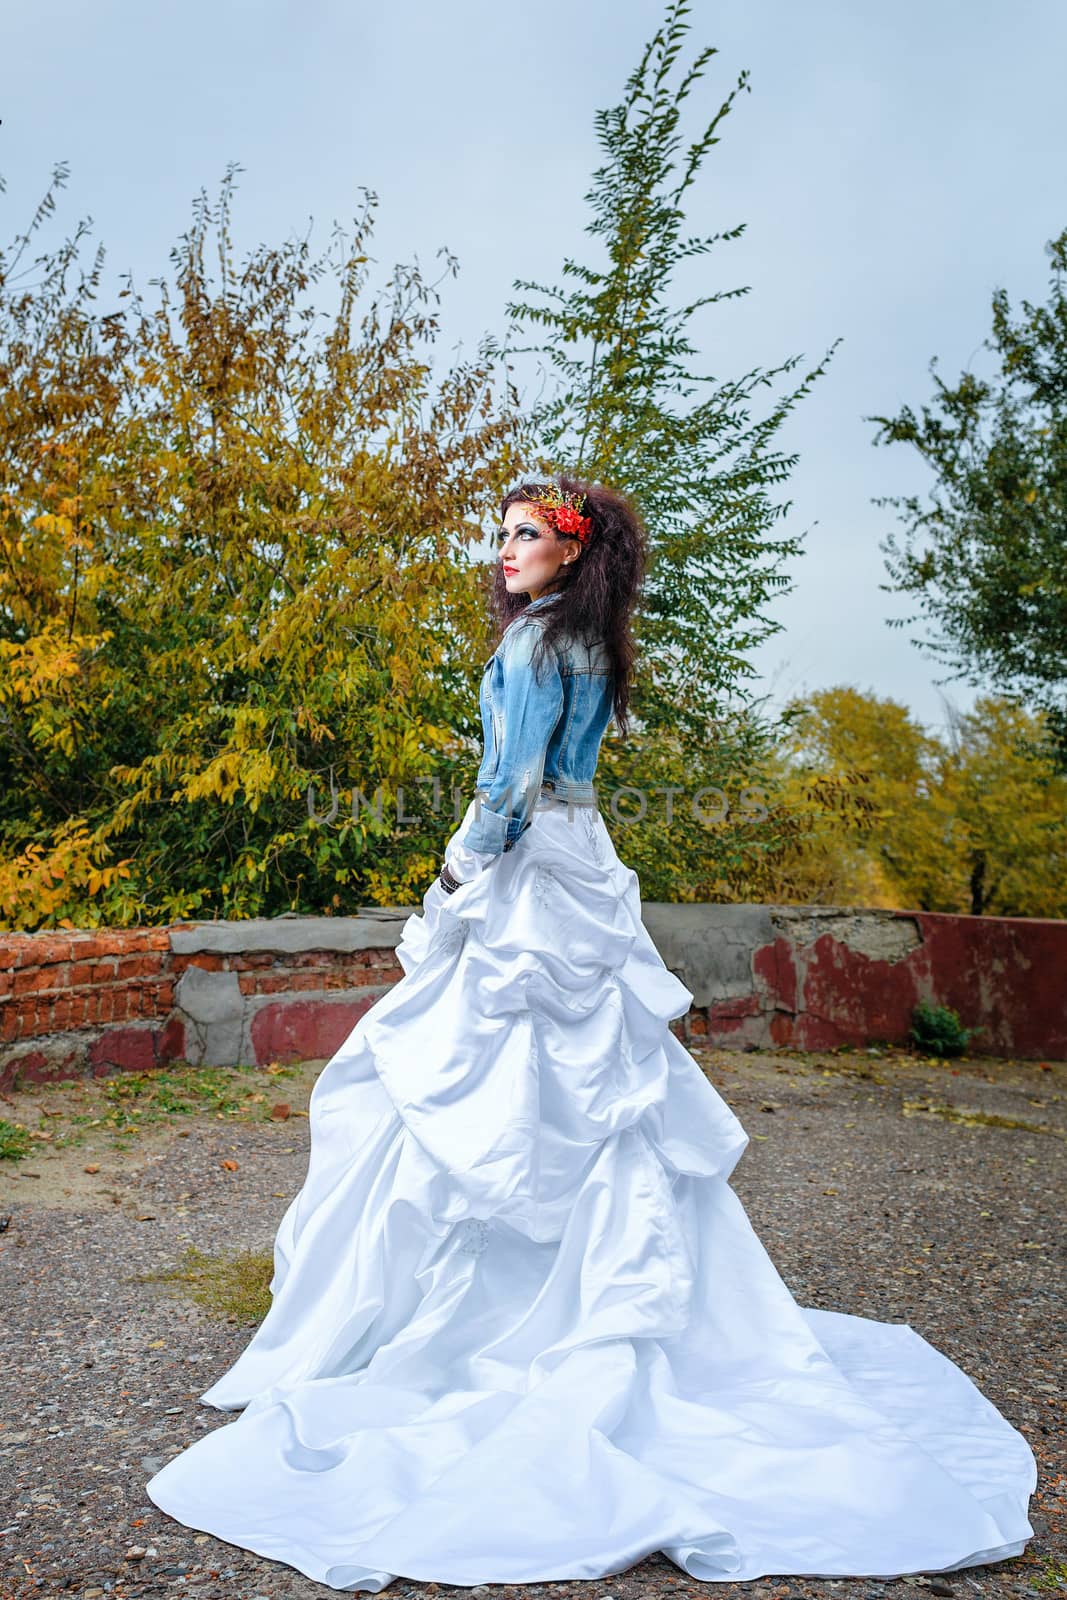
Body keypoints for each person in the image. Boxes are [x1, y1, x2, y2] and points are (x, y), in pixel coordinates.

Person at [146, 475, 1037, 1592]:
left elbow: (508, 787)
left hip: (528, 879)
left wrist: (456, 872)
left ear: (570, 555)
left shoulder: (529, 648)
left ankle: (472, 1320)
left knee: (470, 1085)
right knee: (593, 1102)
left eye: (526, 536)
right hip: (584, 872)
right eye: (502, 533)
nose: (505, 550)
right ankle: (579, 1303)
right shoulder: (590, 645)